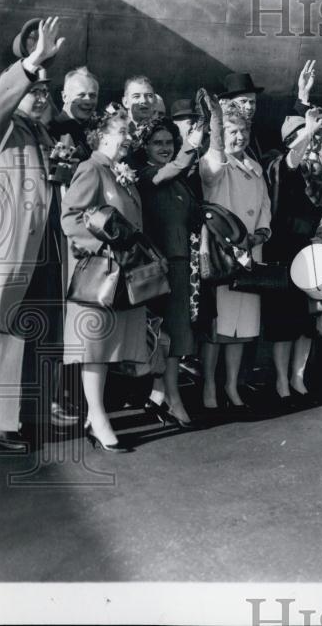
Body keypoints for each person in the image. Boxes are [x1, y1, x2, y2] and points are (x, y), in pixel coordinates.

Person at [0, 17, 68, 450]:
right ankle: (2, 423)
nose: (41, 97)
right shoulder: (0, 128)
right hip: (11, 251)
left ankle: (27, 412)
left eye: (45, 92)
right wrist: (30, 65)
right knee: (6, 332)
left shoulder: (42, 133)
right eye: (34, 91)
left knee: (37, 329)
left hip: (44, 250)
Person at [61, 110, 148, 452]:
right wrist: (102, 247)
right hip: (100, 271)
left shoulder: (118, 172)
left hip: (122, 271)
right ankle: (98, 417)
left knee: (110, 345)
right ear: (103, 136)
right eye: (123, 131)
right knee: (95, 347)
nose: (129, 138)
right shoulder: (91, 168)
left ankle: (95, 414)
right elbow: (71, 217)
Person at [198, 96, 271, 413]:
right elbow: (212, 171)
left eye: (243, 131)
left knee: (242, 325)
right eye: (232, 131)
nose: (239, 137)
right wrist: (215, 127)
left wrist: (261, 233)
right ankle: (209, 386)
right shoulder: (213, 162)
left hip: (251, 252)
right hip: (222, 253)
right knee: (219, 327)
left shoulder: (255, 168)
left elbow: (265, 207)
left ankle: (231, 385)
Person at [135, 116, 206, 427]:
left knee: (176, 334)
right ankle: (173, 399)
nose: (164, 148)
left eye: (168, 142)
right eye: (157, 143)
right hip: (160, 265)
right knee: (169, 334)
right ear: (146, 148)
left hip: (181, 264)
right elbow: (170, 170)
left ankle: (160, 395)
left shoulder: (179, 180)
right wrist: (192, 143)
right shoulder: (147, 175)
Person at [263, 106, 322, 403]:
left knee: (306, 323)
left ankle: (298, 378)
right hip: (282, 251)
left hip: (310, 249)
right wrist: (309, 131)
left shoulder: (315, 168)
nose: (314, 140)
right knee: (283, 323)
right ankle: (281, 380)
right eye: (308, 136)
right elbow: (291, 160)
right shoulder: (279, 165)